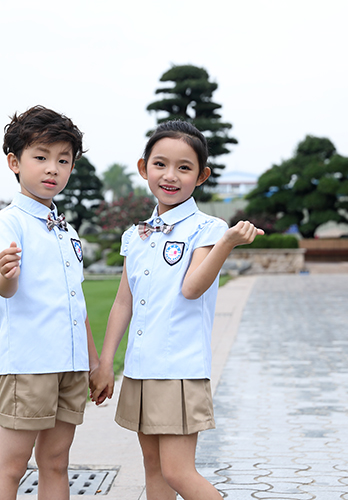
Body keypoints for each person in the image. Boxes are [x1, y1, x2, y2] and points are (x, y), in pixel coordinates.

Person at [90, 120, 264, 500]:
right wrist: (106, 362)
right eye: (160, 164)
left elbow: (192, 287)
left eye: (184, 167)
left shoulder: (208, 228)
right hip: (140, 369)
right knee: (154, 472)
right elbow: (124, 301)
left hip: (178, 371)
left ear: (201, 176)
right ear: (144, 168)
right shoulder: (136, 235)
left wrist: (228, 242)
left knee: (178, 473)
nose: (170, 176)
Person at [0, 105, 99, 500]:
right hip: (29, 364)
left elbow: (75, 303)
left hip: (71, 365)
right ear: (15, 162)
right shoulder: (8, 222)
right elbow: (4, 288)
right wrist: (5, 275)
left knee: (56, 463)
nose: (53, 168)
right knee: (13, 466)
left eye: (63, 160)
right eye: (41, 157)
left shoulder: (65, 229)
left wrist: (95, 362)